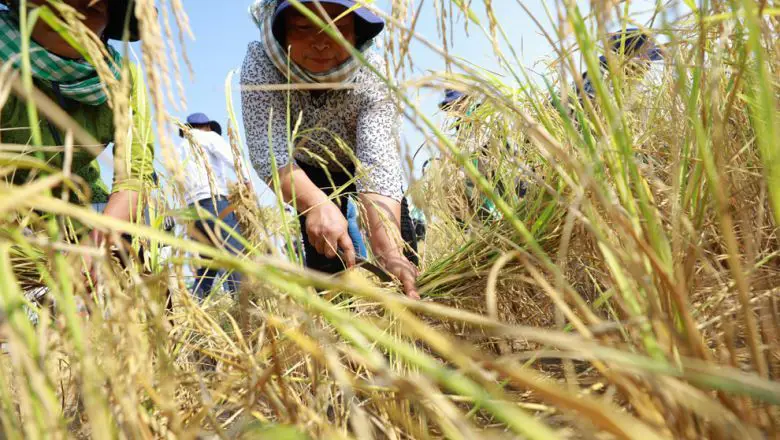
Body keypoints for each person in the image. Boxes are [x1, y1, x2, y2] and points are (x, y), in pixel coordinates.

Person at [241, 0, 419, 299]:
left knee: (399, 252)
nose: (322, 42)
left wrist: (389, 251)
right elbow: (269, 151)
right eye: (304, 26)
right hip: (306, 171)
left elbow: (377, 165)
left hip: (359, 158)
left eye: (339, 27)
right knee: (328, 264)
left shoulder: (373, 72)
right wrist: (315, 204)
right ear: (280, 30)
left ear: (356, 35)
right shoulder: (261, 64)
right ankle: (342, 335)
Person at [0, 0, 155, 278]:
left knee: (131, 276)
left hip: (78, 205)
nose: (69, 17)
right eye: (57, 3)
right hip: (11, 210)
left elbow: (134, 176)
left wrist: (96, 244)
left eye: (93, 9)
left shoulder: (122, 79)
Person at [176, 112, 249, 299]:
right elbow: (233, 159)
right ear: (207, 126)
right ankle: (245, 309)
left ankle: (198, 310)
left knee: (208, 263)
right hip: (213, 203)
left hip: (192, 210)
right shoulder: (209, 137)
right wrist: (248, 183)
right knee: (235, 253)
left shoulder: (180, 148)